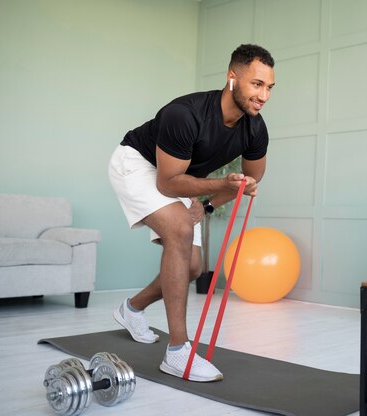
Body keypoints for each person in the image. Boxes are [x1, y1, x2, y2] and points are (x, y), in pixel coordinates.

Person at [108, 44, 275, 382]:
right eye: (256, 84)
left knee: (194, 266)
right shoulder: (185, 114)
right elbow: (168, 183)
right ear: (232, 78)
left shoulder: (255, 129)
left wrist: (218, 200)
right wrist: (214, 186)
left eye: (269, 87)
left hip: (181, 179)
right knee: (180, 230)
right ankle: (177, 352)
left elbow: (247, 181)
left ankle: (132, 308)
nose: (264, 96)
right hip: (139, 164)